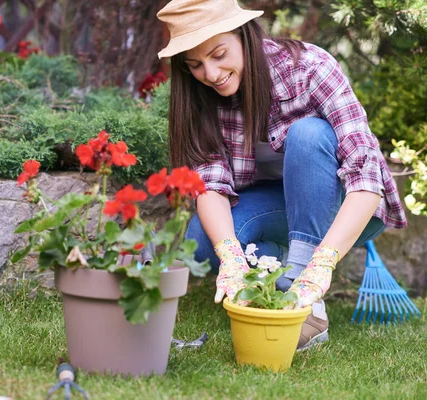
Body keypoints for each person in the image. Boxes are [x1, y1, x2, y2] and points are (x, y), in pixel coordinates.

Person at [156, 0, 407, 350]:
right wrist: (229, 256)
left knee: (308, 135)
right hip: (275, 203)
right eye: (195, 65)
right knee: (202, 245)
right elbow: (210, 182)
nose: (211, 74)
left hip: (344, 203)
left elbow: (366, 176)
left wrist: (322, 264)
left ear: (244, 36)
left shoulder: (309, 67)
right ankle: (276, 270)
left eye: (219, 54)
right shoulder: (200, 97)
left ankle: (305, 297)